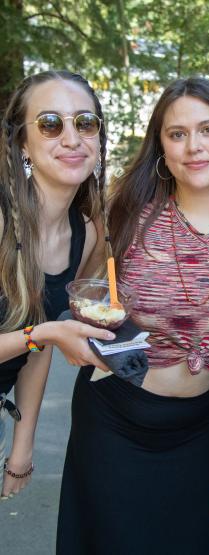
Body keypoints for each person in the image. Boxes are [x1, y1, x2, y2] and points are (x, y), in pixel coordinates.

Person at [56, 77, 209, 554]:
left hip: (199, 429)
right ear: (160, 143)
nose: (194, 147)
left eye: (208, 129)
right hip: (115, 420)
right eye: (177, 133)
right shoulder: (125, 212)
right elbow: (68, 291)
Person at [0, 70, 117, 501]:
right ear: (22, 145)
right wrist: (44, 333)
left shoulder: (84, 232)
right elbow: (40, 335)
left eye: (85, 123)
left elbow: (35, 347)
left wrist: (22, 449)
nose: (72, 138)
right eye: (50, 124)